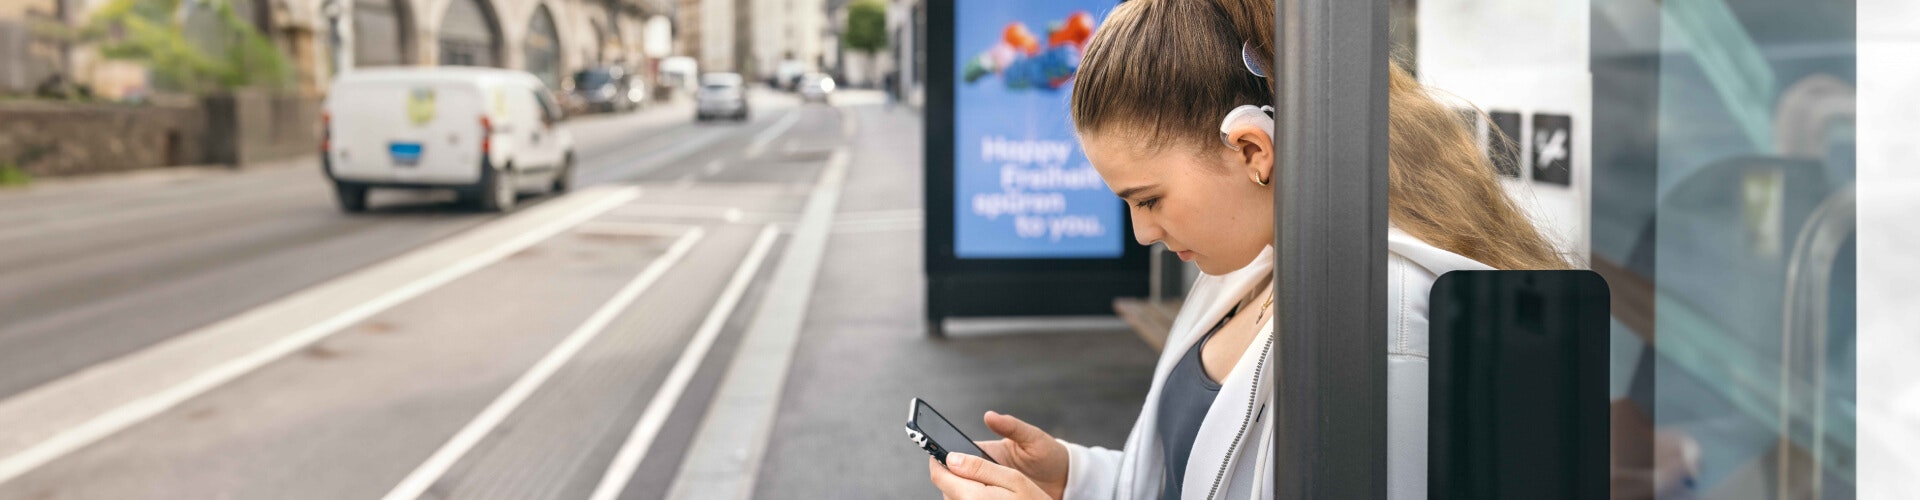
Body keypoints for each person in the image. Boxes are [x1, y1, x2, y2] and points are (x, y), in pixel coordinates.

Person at [925, 0, 1569, 499]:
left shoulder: (1382, 319)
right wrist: (1075, 476)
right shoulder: (1250, 266)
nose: (1143, 232)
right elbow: (1197, 476)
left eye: (1148, 199)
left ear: (1251, 150)